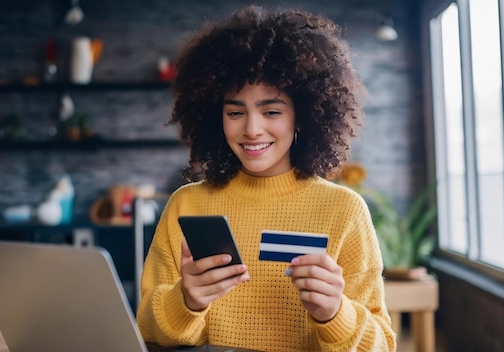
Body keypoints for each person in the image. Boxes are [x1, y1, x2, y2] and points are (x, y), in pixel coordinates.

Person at [136, 5, 396, 352]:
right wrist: (186, 301)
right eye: (235, 112)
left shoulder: (344, 210)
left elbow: (382, 345)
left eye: (271, 111)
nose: (252, 129)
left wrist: (335, 314)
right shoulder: (187, 204)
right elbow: (147, 330)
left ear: (301, 116)